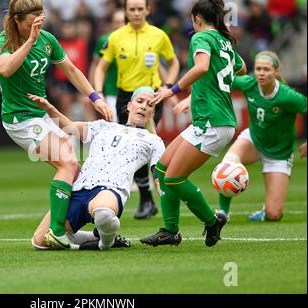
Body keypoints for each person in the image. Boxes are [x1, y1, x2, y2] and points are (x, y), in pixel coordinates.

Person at [0, 0, 113, 249]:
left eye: (42, 13)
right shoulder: (4, 40)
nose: (40, 19)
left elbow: (70, 69)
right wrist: (29, 42)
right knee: (68, 164)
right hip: (20, 119)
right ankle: (58, 232)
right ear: (17, 19)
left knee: (74, 171)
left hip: (42, 114)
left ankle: (52, 233)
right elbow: (5, 69)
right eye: (33, 16)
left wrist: (95, 97)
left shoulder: (47, 39)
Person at [140, 0, 247, 248]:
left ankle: (212, 221)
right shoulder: (225, 41)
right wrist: (196, 95)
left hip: (212, 121)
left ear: (197, 18)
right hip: (212, 119)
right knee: (163, 168)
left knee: (175, 178)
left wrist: (173, 90)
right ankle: (169, 231)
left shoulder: (201, 38)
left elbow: (202, 67)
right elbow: (239, 70)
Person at [30, 86, 165, 250]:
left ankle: (106, 242)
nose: (144, 106)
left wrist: (159, 183)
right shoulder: (104, 126)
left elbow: (158, 167)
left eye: (150, 105)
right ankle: (92, 236)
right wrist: (49, 108)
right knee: (40, 241)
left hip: (110, 188)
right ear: (129, 105)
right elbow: (68, 126)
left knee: (103, 212)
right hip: (79, 189)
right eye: (140, 101)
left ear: (153, 112)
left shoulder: (153, 140)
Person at [94, 0, 180, 220]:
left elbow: (174, 62)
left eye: (140, 8)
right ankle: (147, 199)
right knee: (134, 146)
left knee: (143, 143)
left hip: (152, 97)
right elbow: (101, 67)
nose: (136, 13)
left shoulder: (159, 35)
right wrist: (98, 92)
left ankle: (149, 197)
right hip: (127, 97)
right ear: (126, 11)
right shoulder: (115, 37)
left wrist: (168, 86)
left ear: (148, 10)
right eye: (131, 9)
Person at [212, 51, 306, 221]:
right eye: (258, 69)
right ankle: (223, 213)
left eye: (266, 69)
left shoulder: (288, 96)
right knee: (228, 164)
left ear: (276, 72)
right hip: (254, 140)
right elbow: (221, 80)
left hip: (279, 153)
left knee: (274, 214)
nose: (261, 73)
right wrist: (191, 97)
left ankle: (265, 211)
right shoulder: (249, 83)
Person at [88, 9, 125, 123]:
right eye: (117, 22)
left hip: (132, 90)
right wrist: (91, 91)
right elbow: (95, 65)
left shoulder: (134, 40)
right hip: (111, 90)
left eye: (123, 21)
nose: (120, 25)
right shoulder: (104, 40)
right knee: (114, 121)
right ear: (112, 24)